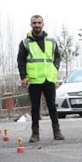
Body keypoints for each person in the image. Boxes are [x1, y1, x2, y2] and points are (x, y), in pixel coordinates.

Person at [17, 14, 63, 142]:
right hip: (34, 80)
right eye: (34, 23)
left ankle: (57, 131)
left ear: (43, 24)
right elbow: (21, 60)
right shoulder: (25, 42)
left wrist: (55, 67)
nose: (37, 25)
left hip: (49, 78)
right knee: (35, 108)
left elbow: (57, 56)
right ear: (31, 25)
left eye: (39, 23)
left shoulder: (51, 41)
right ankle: (35, 134)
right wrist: (23, 77)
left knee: (52, 106)